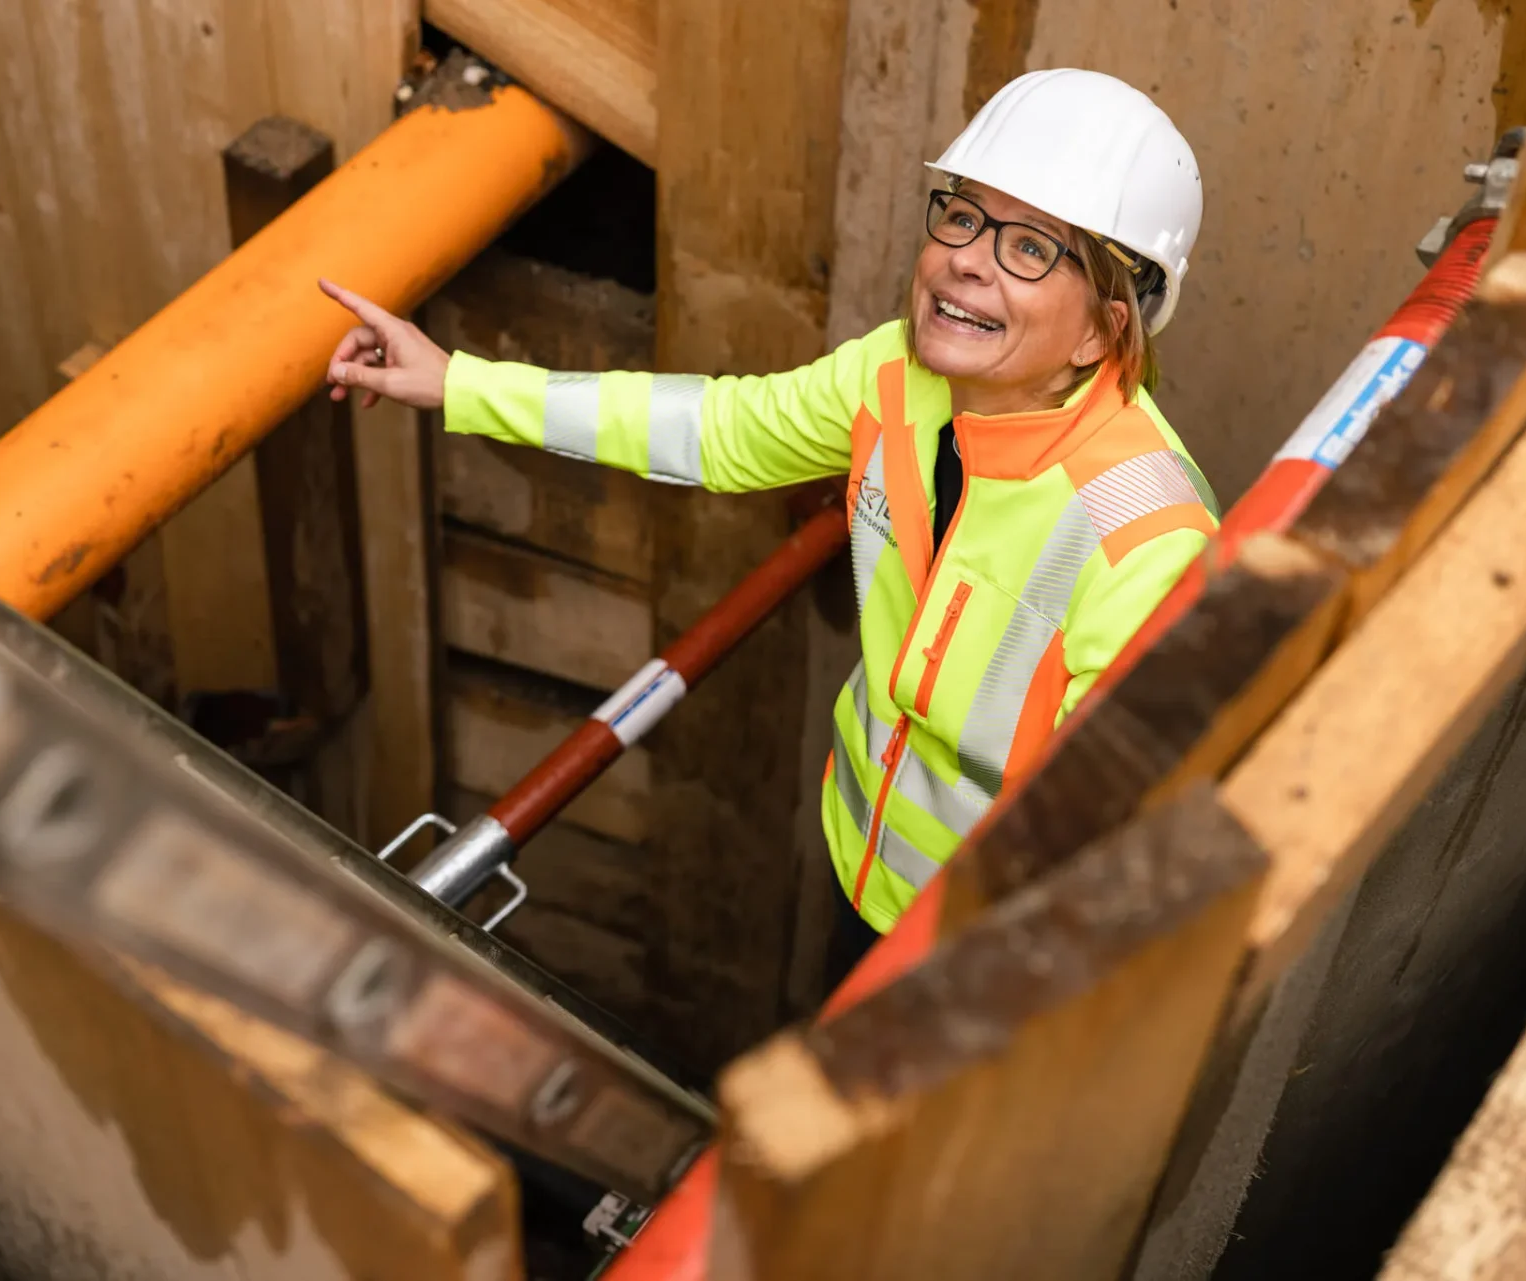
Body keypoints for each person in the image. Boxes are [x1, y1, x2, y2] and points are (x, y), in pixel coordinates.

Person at [318, 69, 1218, 987]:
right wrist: (458, 384)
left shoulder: (1146, 544)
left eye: (1029, 247)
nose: (968, 258)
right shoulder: (895, 380)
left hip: (980, 964)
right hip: (861, 877)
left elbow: (1115, 840)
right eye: (962, 215)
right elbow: (716, 431)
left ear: (1102, 331)